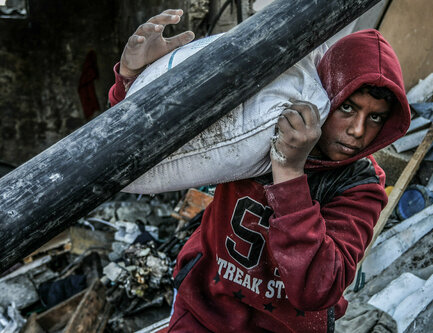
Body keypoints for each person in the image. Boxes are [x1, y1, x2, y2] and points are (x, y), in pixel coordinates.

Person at [108, 9, 410, 333]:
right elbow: (146, 148)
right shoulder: (260, 126)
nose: (358, 130)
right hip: (203, 305)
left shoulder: (359, 186)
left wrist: (289, 171)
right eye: (348, 108)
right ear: (326, 96)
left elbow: (319, 287)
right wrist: (133, 78)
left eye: (376, 117)